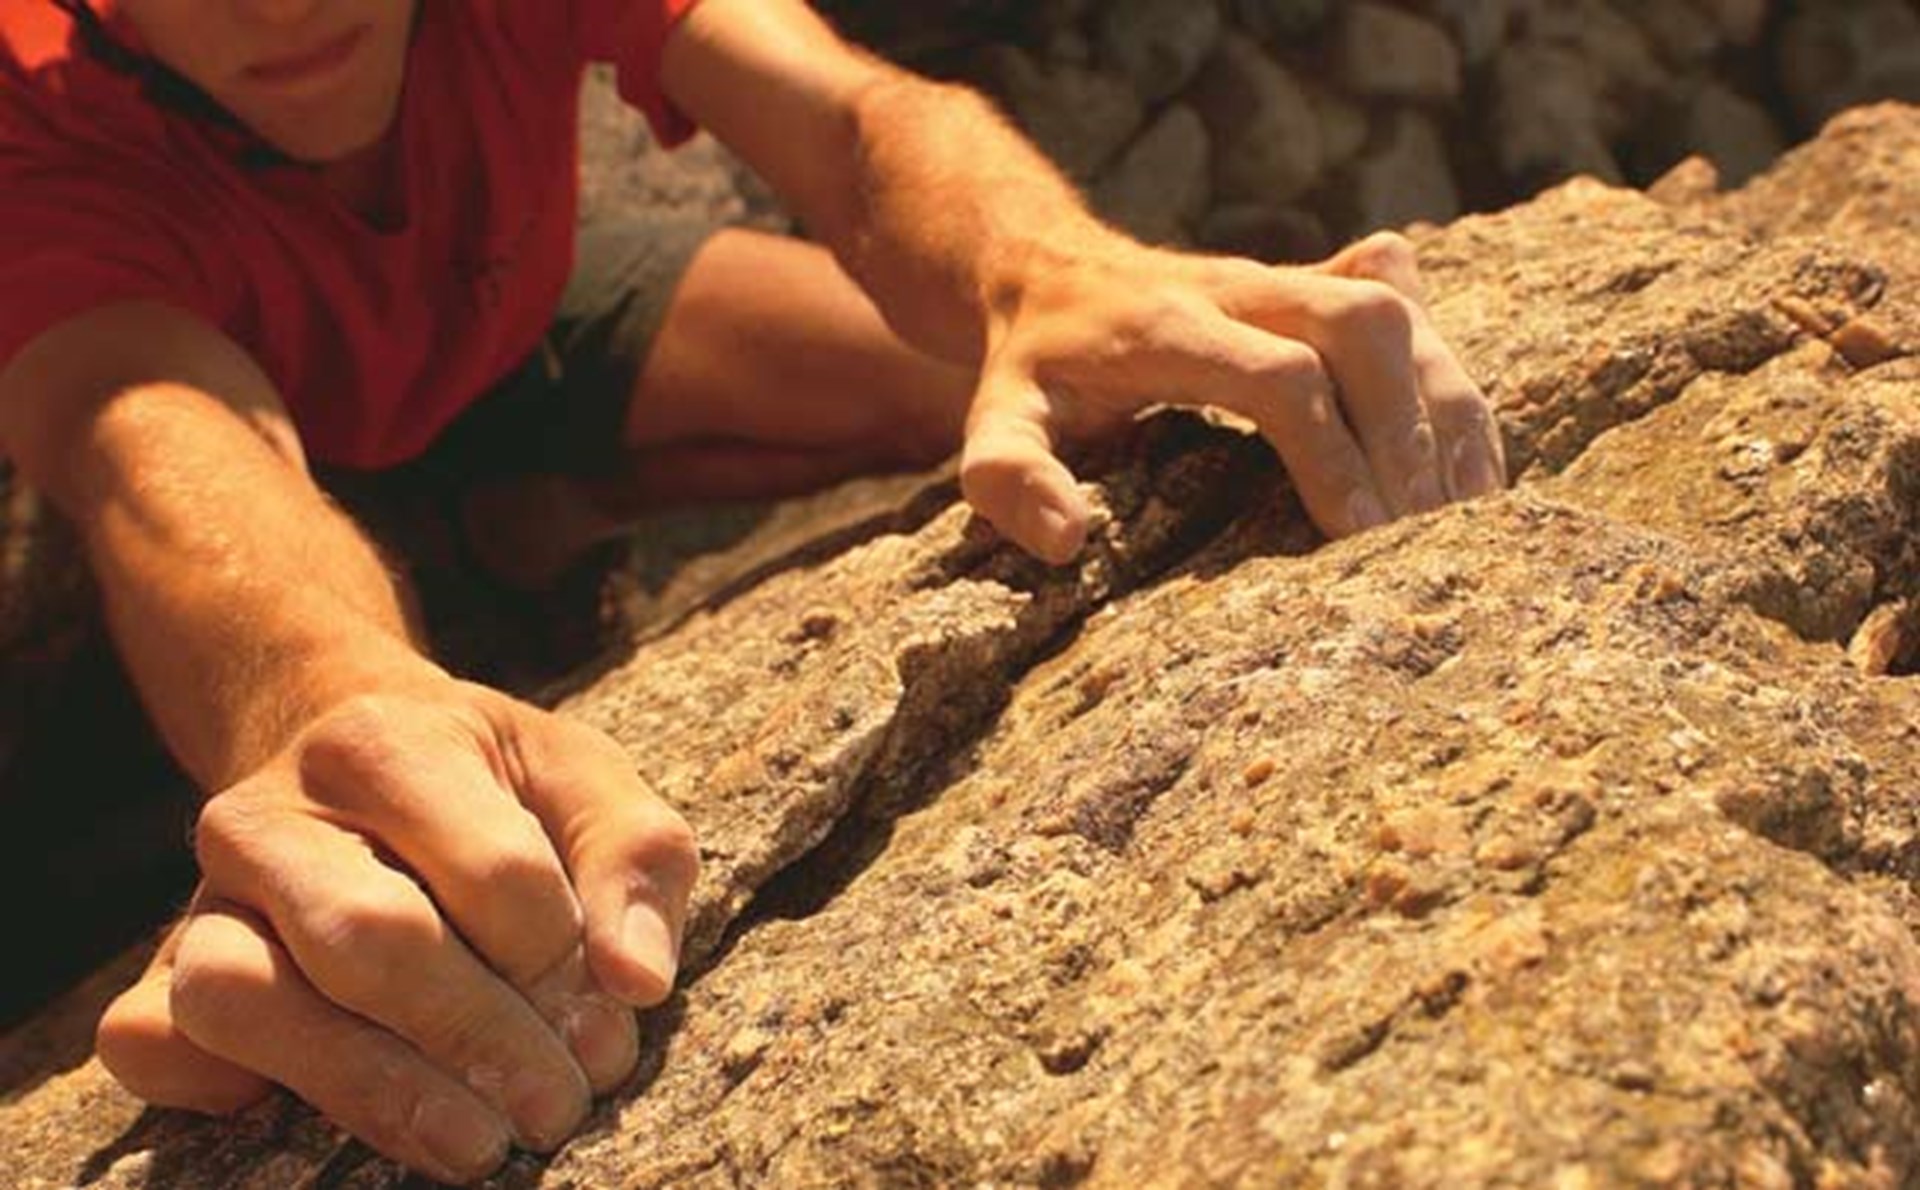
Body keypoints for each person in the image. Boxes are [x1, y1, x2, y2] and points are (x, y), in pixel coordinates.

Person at [0, 0, 1506, 1181]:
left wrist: (1040, 266)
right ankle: (471, 528)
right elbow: (150, 437)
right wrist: (329, 701)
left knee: (1023, 387)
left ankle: (534, 508)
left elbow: (844, 118)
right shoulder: (30, 102)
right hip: (269, 382)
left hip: (508, 305)